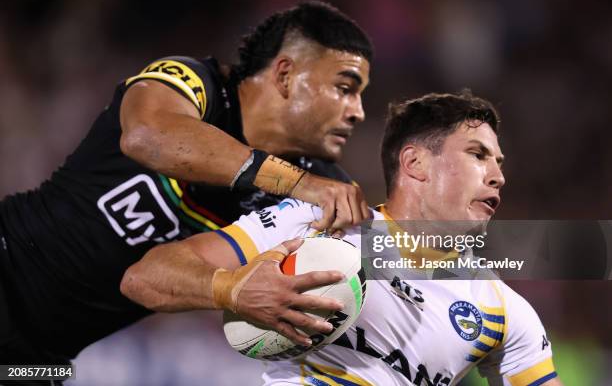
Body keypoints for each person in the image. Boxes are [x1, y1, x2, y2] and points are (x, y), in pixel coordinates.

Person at [0, 1, 373, 366]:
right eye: (345, 88)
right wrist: (297, 183)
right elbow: (146, 136)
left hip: (41, 359)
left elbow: (399, 251)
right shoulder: (194, 82)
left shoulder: (324, 190)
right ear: (285, 75)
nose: (358, 111)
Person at [126, 91, 562, 384]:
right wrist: (232, 289)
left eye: (499, 162)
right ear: (415, 163)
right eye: (477, 155)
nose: (499, 176)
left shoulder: (505, 311)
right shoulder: (315, 224)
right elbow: (144, 278)